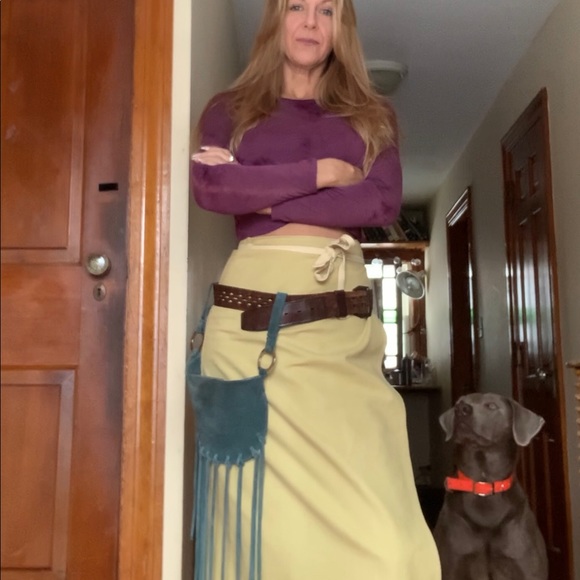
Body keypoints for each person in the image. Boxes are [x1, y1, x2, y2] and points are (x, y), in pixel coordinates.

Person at [189, 0, 441, 578]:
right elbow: (211, 188)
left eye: (326, 10)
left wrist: (258, 194)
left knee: (387, 542)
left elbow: (378, 202)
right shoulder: (231, 108)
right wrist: (323, 173)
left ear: (341, 27)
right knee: (261, 530)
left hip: (344, 336)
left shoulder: (372, 114)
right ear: (274, 20)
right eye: (296, 6)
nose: (309, 22)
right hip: (250, 333)